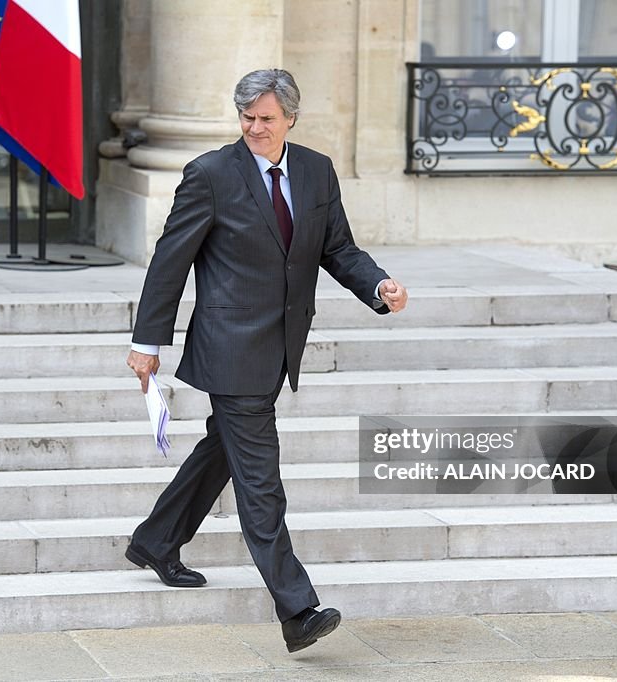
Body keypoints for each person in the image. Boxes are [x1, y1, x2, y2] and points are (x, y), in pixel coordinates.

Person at [125, 68, 408, 653]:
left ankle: (156, 539)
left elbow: (337, 249)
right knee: (261, 482)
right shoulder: (209, 174)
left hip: (280, 344)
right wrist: (146, 343)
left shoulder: (315, 170)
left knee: (224, 448)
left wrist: (378, 285)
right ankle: (297, 608)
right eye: (247, 117)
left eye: (266, 118)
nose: (254, 127)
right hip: (229, 348)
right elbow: (169, 261)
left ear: (291, 120)